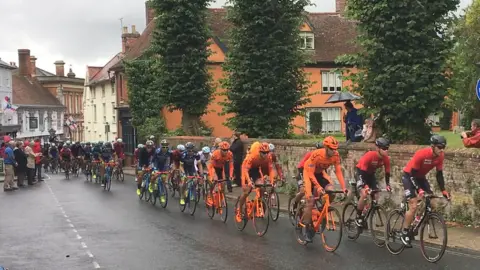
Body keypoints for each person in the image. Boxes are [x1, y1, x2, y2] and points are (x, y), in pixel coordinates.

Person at [400, 135, 451, 248]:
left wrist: (443, 190)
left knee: (431, 201)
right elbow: (412, 175)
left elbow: (439, 175)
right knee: (413, 205)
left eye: (443, 147)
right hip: (409, 176)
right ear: (432, 146)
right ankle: (404, 232)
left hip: (421, 177)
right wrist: (419, 189)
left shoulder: (440, 156)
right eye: (439, 147)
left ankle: (416, 221)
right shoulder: (421, 154)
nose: (442, 149)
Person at [302, 136, 347, 242]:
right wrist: (318, 187)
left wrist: (344, 187)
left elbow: (338, 171)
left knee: (331, 191)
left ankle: (322, 209)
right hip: (309, 173)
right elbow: (311, 174)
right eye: (332, 149)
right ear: (326, 147)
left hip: (320, 173)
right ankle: (307, 228)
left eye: (336, 148)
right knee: (311, 200)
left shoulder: (336, 155)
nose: (334, 151)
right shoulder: (317, 154)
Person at [354, 138, 392, 227]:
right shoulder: (370, 156)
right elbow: (362, 174)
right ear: (378, 148)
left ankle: (365, 213)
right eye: (384, 148)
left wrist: (388, 185)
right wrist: (366, 186)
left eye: (387, 148)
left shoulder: (386, 158)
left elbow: (387, 172)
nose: (386, 151)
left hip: (371, 175)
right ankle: (358, 216)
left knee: (376, 194)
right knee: (364, 194)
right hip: (361, 173)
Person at [236, 142, 274, 221]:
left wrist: (272, 181)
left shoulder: (268, 157)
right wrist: (249, 181)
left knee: (261, 187)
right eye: (263, 153)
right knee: (247, 191)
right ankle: (239, 209)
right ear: (259, 152)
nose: (265, 155)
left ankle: (257, 205)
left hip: (255, 169)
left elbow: (270, 170)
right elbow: (246, 170)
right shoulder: (252, 156)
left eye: (267, 153)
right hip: (246, 169)